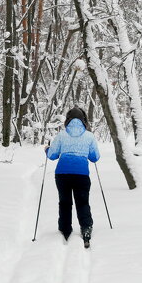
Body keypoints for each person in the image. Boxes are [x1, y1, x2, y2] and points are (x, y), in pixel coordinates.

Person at [45, 106, 100, 247]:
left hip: (62, 174)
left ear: (68, 120)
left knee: (65, 203)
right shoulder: (89, 136)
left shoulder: (61, 135)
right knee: (82, 202)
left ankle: (65, 229)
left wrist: (46, 149)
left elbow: (52, 155)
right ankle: (86, 228)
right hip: (81, 175)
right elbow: (95, 157)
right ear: (84, 120)